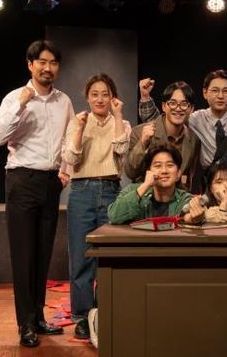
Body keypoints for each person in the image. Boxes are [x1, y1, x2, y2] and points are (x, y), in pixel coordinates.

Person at [0, 40, 74, 348]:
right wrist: (21, 105)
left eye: (53, 63)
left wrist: (65, 172)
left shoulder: (64, 101)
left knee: (42, 253)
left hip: (51, 182)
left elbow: (69, 138)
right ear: (30, 65)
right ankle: (25, 323)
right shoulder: (15, 97)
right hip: (22, 180)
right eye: (42, 62)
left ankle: (38, 316)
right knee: (23, 255)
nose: (48, 68)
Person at [62, 73, 131, 340]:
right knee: (81, 257)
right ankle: (81, 316)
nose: (100, 99)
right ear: (87, 97)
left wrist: (118, 116)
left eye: (105, 94)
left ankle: (104, 312)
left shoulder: (121, 123)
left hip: (111, 189)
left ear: (113, 97)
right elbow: (70, 158)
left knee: (108, 255)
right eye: (95, 94)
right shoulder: (78, 121)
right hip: (81, 191)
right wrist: (80, 129)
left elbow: (121, 150)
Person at [138, 70, 227, 203]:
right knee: (215, 216)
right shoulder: (195, 119)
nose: (220, 96)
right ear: (205, 93)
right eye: (215, 90)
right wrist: (145, 97)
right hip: (213, 180)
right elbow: (162, 124)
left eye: (225, 91)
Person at [126, 81, 200, 190]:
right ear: (164, 106)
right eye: (173, 103)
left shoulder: (193, 139)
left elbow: (187, 179)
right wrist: (142, 143)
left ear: (191, 109)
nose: (178, 108)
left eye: (184, 104)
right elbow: (130, 172)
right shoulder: (139, 132)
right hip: (146, 196)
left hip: (176, 198)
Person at [108, 143, 206, 225]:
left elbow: (187, 216)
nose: (164, 171)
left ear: (178, 174)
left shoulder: (185, 199)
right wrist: (145, 185)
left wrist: (194, 218)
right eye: (158, 166)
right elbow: (114, 216)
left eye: (170, 165)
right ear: (148, 172)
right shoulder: (132, 191)